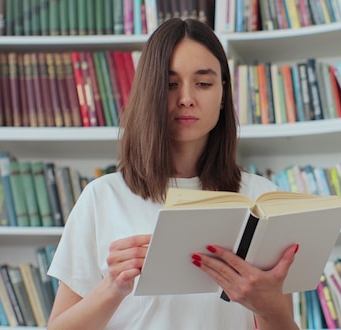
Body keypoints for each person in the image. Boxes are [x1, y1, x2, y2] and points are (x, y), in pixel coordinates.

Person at [46, 18, 300, 330]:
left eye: (203, 83)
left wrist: (269, 309)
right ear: (149, 93)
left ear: (223, 95)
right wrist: (113, 287)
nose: (186, 98)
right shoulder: (103, 196)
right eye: (170, 84)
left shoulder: (261, 198)